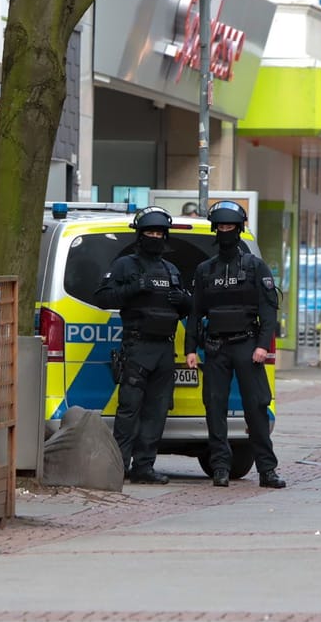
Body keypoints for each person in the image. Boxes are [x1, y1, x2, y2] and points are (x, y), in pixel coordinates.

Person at [184, 200, 282, 489]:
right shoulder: (205, 270)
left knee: (256, 408)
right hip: (216, 347)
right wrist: (191, 348)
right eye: (222, 227)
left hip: (247, 346)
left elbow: (268, 310)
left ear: (239, 229)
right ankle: (220, 468)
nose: (226, 231)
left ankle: (267, 470)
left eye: (230, 227)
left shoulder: (255, 266)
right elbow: (195, 313)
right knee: (214, 408)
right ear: (216, 229)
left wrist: (263, 345)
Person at [94, 207, 191, 484]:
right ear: (140, 235)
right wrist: (134, 288)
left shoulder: (171, 270)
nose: (155, 237)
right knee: (129, 410)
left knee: (157, 412)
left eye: (159, 233)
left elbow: (188, 306)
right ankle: (120, 466)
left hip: (165, 349)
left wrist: (183, 301)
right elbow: (103, 297)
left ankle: (144, 466)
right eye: (149, 232)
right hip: (137, 346)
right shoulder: (126, 265)